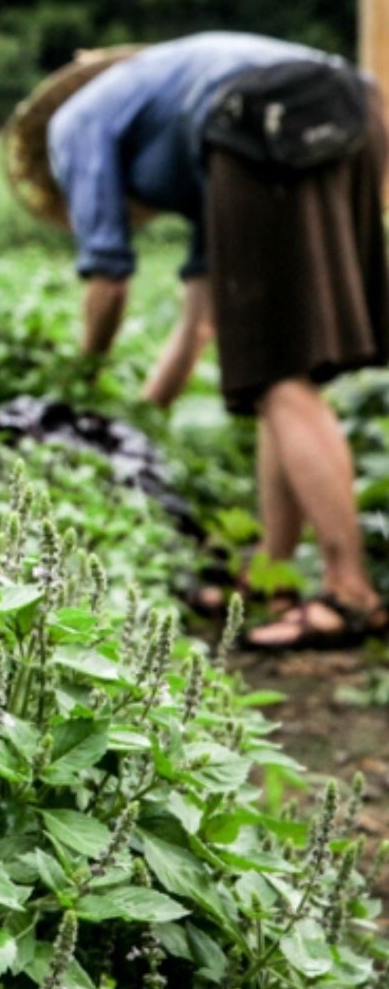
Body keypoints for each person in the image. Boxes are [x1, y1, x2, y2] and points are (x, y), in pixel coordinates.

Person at [45, 32, 389, 650]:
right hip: (359, 113)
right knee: (280, 378)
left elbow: (109, 281)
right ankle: (270, 572)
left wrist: (79, 391)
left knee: (281, 377)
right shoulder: (184, 111)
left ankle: (350, 593)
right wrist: (140, 417)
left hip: (268, 117)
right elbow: (200, 318)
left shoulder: (76, 122)